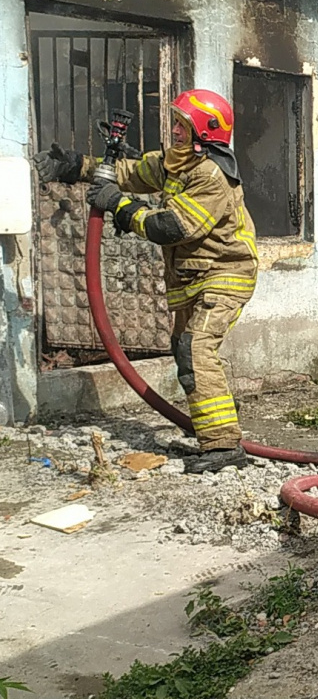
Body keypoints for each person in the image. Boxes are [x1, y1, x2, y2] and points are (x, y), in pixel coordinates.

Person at [32, 90, 258, 474]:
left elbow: (169, 227)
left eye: (182, 125)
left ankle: (223, 445)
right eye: (176, 124)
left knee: (196, 347)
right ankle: (215, 425)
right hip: (193, 276)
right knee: (185, 351)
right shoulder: (176, 163)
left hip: (226, 274)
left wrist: (118, 205)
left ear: (203, 132)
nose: (174, 131)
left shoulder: (210, 176)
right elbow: (128, 173)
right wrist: (74, 166)